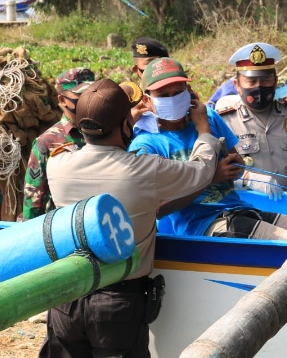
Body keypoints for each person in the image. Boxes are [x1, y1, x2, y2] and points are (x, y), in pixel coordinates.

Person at [40, 79, 220, 357]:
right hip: (119, 302)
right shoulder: (146, 171)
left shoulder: (57, 163)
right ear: (126, 125)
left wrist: (124, 120)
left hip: (67, 295)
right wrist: (203, 128)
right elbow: (203, 170)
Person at [130, 56, 287, 242]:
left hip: (240, 209)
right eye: (163, 95)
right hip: (205, 225)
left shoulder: (209, 118)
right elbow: (156, 209)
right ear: (147, 100)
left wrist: (237, 168)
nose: (172, 99)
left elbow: (236, 161)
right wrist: (209, 178)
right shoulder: (147, 145)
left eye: (178, 92)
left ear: (188, 90)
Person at [218, 42, 287, 197]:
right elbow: (214, 173)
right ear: (237, 85)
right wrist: (248, 179)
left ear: (276, 81)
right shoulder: (223, 121)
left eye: (265, 80)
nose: (259, 87)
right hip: (247, 213)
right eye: (251, 81)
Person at [22, 67, 95, 220]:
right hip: (64, 225)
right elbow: (34, 201)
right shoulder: (47, 142)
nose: (89, 100)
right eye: (81, 95)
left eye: (92, 94)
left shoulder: (106, 130)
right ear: (62, 100)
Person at [131, 37, 169, 120]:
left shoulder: (182, 93)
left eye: (159, 66)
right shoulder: (130, 101)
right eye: (149, 67)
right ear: (136, 70)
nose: (155, 72)